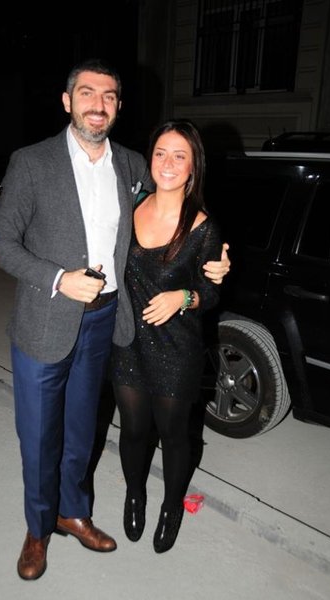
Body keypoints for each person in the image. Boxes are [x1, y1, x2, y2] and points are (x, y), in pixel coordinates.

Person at [0, 59, 230, 581]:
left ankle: (73, 512)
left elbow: (176, 204)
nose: (98, 105)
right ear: (67, 101)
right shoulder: (32, 162)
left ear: (118, 107)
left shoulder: (131, 165)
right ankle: (38, 528)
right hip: (44, 321)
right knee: (40, 436)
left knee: (82, 429)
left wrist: (217, 257)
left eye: (109, 96)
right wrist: (58, 278)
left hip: (106, 323)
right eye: (87, 93)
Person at [111, 120, 223, 553]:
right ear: (150, 159)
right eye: (161, 153)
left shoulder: (203, 227)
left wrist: (184, 296)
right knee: (134, 429)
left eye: (180, 155)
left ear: (193, 166)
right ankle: (134, 494)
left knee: (174, 433)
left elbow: (212, 292)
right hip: (128, 343)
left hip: (177, 348)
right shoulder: (131, 206)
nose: (168, 163)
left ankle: (171, 506)